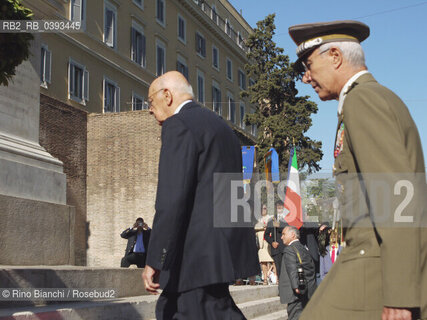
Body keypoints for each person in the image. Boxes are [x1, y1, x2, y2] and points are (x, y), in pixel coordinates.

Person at [288, 20, 426, 320]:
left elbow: (397, 193)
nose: (306, 77)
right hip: (368, 260)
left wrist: (400, 293)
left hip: (374, 265)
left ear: (335, 56)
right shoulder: (372, 98)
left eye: (308, 65)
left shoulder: (362, 100)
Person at [141, 71, 260, 319]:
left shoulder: (178, 125)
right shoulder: (222, 128)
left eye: (151, 102)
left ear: (167, 95)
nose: (150, 111)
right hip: (220, 254)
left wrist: (156, 258)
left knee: (174, 311)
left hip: (194, 259)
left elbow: (171, 199)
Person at [279, 226, 317, 320]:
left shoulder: (290, 249)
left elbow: (292, 269)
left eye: (284, 234)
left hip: (296, 295)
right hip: (307, 291)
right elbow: (311, 269)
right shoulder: (304, 249)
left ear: (292, 235)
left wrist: (296, 287)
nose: (281, 237)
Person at [264, 200, 288, 279]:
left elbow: (289, 230)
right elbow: (266, 235)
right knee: (280, 270)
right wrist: (272, 242)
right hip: (276, 249)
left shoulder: (288, 218)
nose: (279, 208)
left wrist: (280, 225)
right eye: (278, 206)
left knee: (288, 269)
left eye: (281, 206)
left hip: (286, 248)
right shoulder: (272, 220)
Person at [255, 204, 274, 284]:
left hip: (269, 241)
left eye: (265, 208)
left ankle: (276, 278)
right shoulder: (257, 218)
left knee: (272, 260)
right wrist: (264, 226)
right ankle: (265, 279)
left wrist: (267, 226)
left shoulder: (271, 217)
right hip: (261, 242)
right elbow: (255, 227)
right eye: (262, 209)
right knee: (263, 261)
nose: (264, 210)